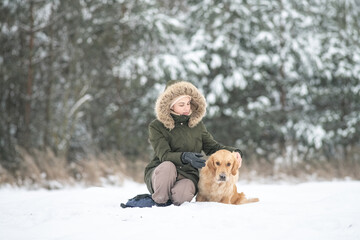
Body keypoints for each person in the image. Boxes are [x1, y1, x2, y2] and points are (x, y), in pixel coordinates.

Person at [144, 80, 243, 206]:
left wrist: (235, 152)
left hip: (187, 174)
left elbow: (213, 147)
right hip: (163, 172)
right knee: (168, 166)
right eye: (181, 104)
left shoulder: (196, 125)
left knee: (181, 198)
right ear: (170, 105)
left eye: (188, 103)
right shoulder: (156, 126)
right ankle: (159, 201)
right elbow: (164, 155)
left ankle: (173, 199)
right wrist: (184, 157)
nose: (187, 108)